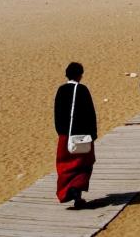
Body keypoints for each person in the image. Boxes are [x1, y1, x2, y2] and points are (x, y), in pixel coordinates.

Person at [53, 62, 97, 209]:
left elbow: (57, 113)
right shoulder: (82, 90)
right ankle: (77, 192)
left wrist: (61, 132)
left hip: (65, 136)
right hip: (82, 135)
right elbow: (90, 113)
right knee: (83, 164)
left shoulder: (61, 90)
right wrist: (93, 134)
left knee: (65, 166)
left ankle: (68, 191)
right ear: (80, 74)